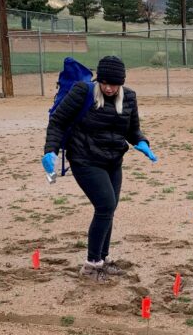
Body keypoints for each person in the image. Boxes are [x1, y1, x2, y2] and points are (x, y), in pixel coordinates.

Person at [42, 56, 157, 279]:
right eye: (105, 83)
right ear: (98, 80)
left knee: (109, 208)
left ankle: (102, 259)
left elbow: (133, 130)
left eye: (114, 84)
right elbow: (58, 121)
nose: (109, 88)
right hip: (85, 158)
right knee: (105, 205)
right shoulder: (82, 93)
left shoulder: (129, 97)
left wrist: (142, 142)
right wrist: (51, 150)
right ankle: (91, 265)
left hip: (113, 160)